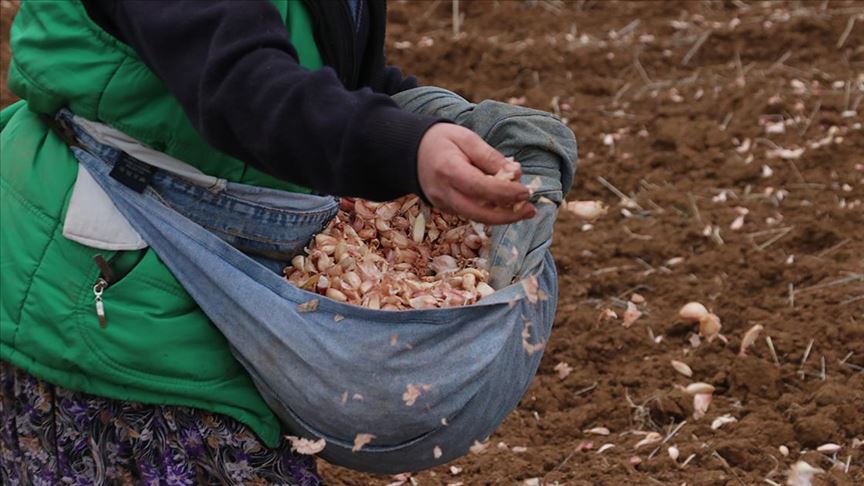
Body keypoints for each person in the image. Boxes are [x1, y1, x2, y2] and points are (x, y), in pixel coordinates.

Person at [0, 1, 568, 484]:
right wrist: (403, 148)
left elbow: (324, 72)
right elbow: (240, 82)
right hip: (107, 288)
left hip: (222, 264)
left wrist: (429, 123)